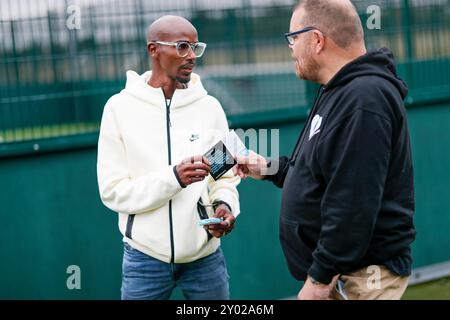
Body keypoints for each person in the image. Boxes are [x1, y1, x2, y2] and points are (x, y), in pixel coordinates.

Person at [234, 0, 415, 300]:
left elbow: (352, 204)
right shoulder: (339, 89)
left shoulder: (363, 98)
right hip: (341, 274)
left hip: (357, 279)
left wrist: (319, 279)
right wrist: (266, 167)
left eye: (293, 38)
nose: (291, 47)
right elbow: (320, 172)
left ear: (316, 40)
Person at [97, 15, 240, 300]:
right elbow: (112, 192)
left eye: (195, 48)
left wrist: (225, 205)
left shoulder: (210, 107)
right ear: (154, 50)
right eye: (183, 47)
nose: (192, 56)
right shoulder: (118, 109)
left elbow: (224, 176)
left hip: (206, 260)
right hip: (144, 260)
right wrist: (173, 178)